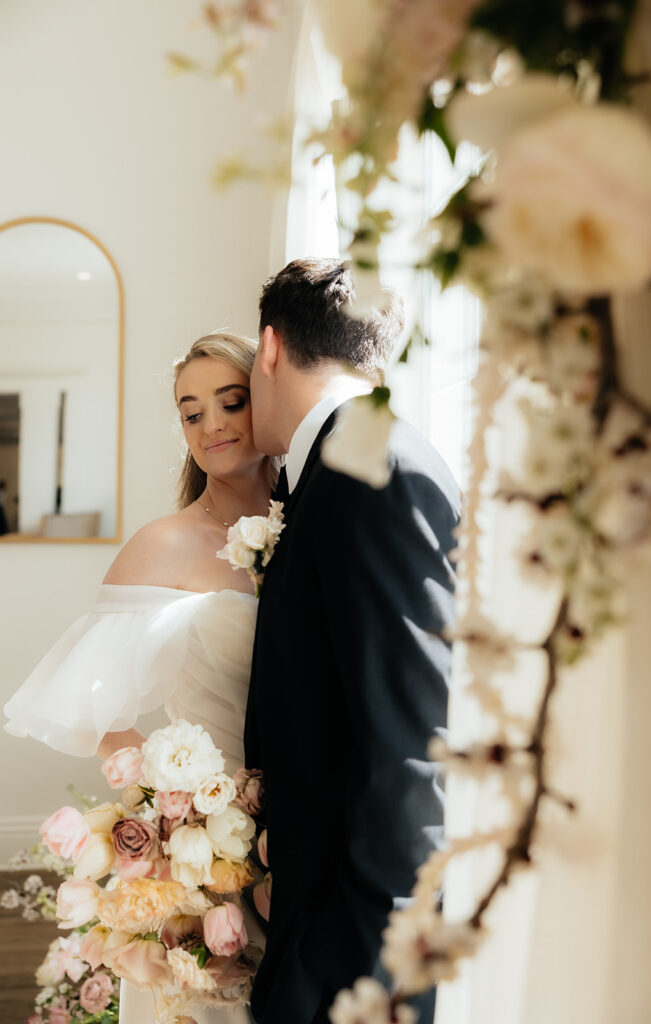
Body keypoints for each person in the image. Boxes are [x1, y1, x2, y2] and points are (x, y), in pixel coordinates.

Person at [3, 332, 274, 1024]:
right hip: (213, 842)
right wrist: (171, 815)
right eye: (191, 413)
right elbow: (94, 711)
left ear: (264, 402)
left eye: (230, 401)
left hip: (312, 819)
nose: (211, 425)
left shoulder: (310, 525)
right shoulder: (165, 542)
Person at [245, 258, 460, 1024]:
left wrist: (347, 969)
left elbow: (411, 743)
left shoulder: (373, 470)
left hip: (352, 962)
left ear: (269, 347)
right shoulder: (343, 463)